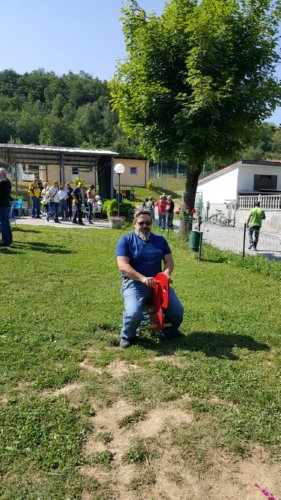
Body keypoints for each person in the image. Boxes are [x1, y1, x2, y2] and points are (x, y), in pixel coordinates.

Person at [116, 209, 184, 348]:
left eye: (148, 223)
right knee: (133, 313)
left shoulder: (160, 240)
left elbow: (169, 261)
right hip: (134, 284)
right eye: (141, 223)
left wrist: (165, 275)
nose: (145, 226)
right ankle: (127, 336)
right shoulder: (125, 241)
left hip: (158, 284)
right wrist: (142, 279)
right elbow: (123, 266)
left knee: (177, 310)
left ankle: (169, 331)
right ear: (135, 223)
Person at [0, 168, 12, 247]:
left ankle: (5, 241)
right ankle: (8, 239)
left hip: (2, 206)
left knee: (4, 224)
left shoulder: (3, 183)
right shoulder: (7, 182)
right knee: (6, 223)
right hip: (5, 205)